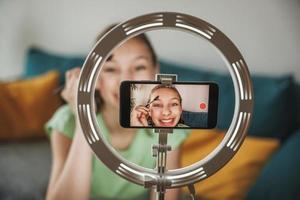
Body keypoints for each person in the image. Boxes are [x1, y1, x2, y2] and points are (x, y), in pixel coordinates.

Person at [45, 24, 188, 200]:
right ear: (94, 78)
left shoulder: (169, 125)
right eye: (111, 69)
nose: (126, 79)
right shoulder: (67, 121)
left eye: (139, 67)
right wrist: (84, 119)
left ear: (155, 72)